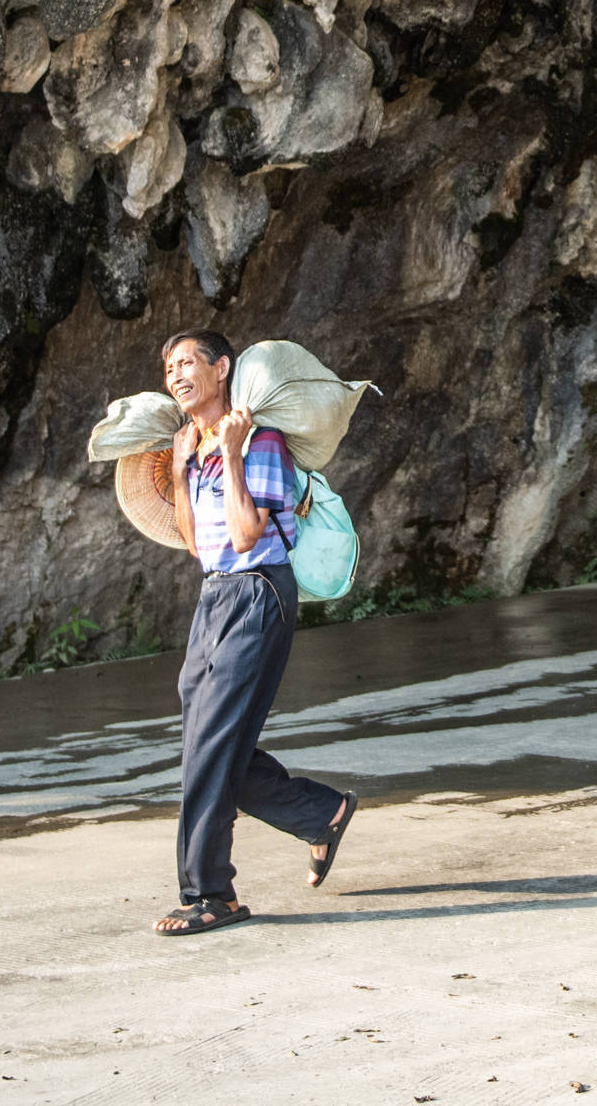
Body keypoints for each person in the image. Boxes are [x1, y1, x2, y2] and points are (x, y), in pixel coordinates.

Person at [150, 327, 358, 936]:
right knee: (205, 747)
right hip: (215, 594)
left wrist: (233, 454)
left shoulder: (261, 441)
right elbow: (196, 543)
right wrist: (187, 466)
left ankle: (210, 894)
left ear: (222, 371)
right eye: (168, 370)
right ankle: (321, 812)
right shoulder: (197, 446)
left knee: (212, 746)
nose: (177, 376)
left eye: (188, 363)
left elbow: (245, 535)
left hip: (258, 591)